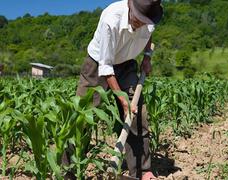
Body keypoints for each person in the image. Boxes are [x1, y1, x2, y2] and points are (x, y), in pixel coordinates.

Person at [64, 0, 163, 179]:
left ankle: (142, 171)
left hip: (127, 64)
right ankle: (67, 170)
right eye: (137, 17)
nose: (140, 22)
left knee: (137, 114)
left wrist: (147, 57)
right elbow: (106, 67)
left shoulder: (150, 17)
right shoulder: (111, 18)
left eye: (144, 20)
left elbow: (148, 36)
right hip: (98, 65)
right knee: (83, 117)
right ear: (130, 6)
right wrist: (122, 100)